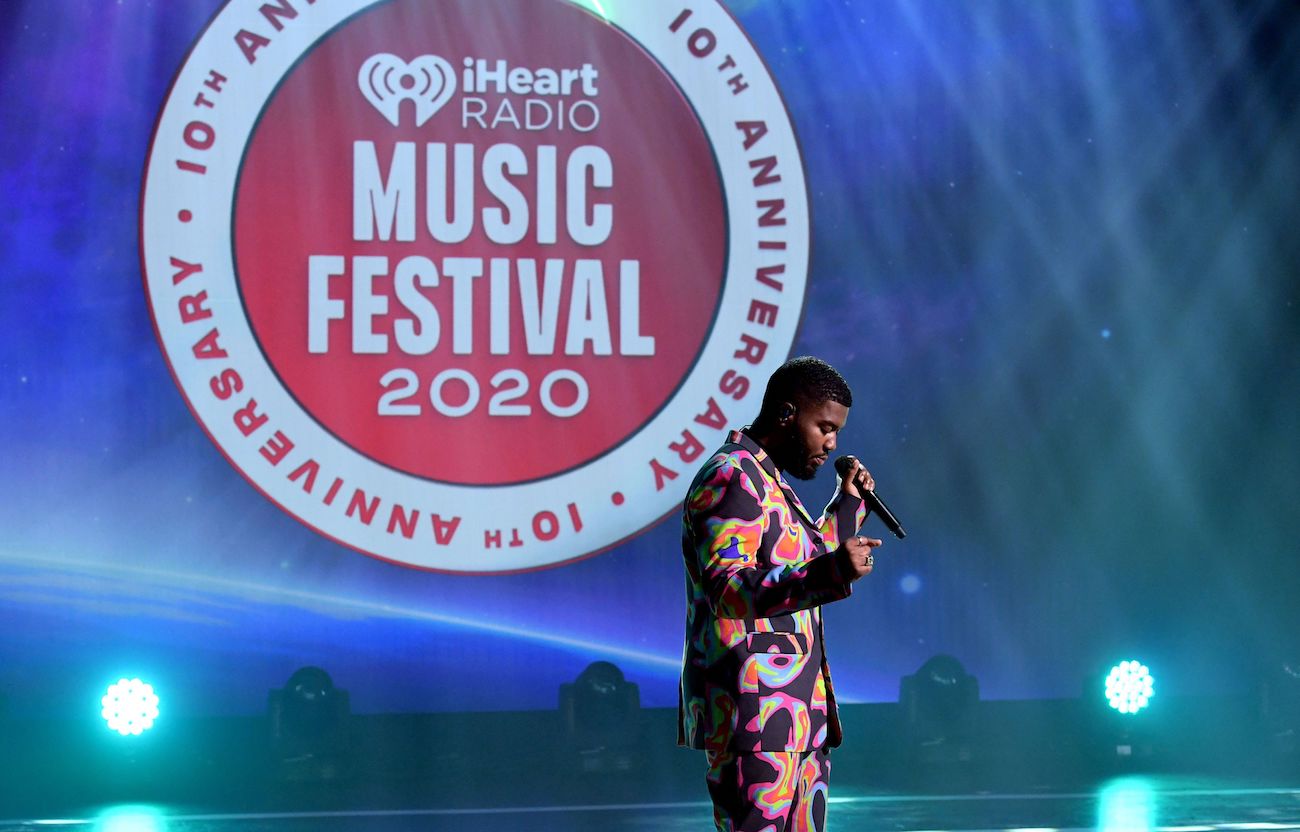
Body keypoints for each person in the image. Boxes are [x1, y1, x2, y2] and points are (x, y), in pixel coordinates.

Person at [679, 356, 881, 832]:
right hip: (755, 712)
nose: (832, 445)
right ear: (787, 414)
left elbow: (801, 561)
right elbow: (728, 589)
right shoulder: (732, 475)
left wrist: (848, 506)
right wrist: (833, 570)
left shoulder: (768, 480)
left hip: (798, 713)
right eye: (825, 428)